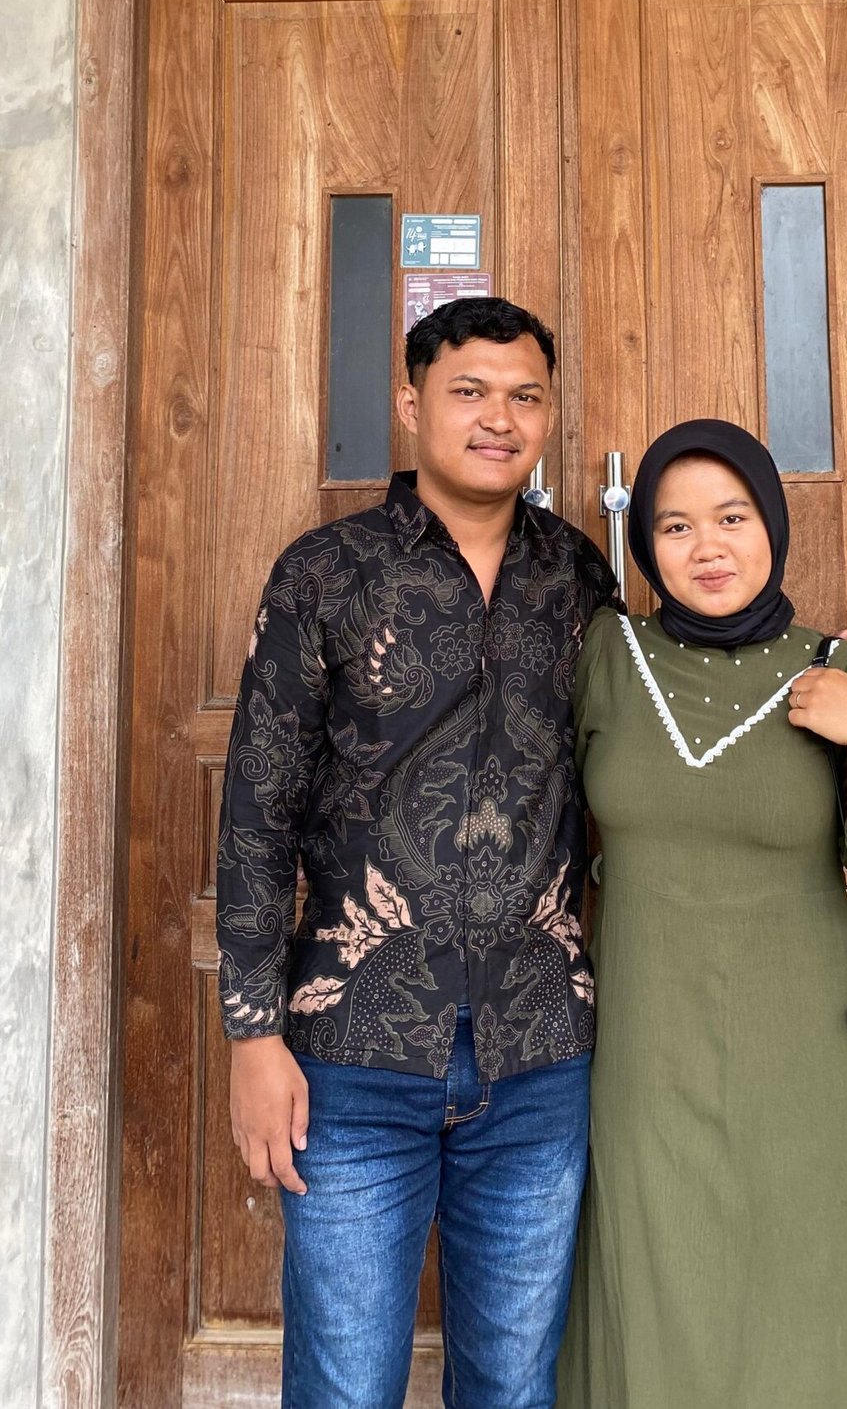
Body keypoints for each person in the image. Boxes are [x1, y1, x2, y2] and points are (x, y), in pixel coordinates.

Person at [216, 296, 618, 1409]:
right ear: (410, 404)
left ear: (548, 416)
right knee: (346, 1387)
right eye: (469, 391)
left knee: (514, 1387)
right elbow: (256, 812)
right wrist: (252, 1034)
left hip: (540, 1049)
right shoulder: (326, 573)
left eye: (525, 396)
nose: (500, 418)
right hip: (351, 1053)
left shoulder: (578, 579)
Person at [557, 418, 847, 1409]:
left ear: (772, 523)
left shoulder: (843, 671)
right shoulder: (609, 657)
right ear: (645, 545)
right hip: (647, 1069)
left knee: (812, 1343)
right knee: (660, 1320)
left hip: (814, 1083)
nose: (708, 547)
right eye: (676, 526)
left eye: (732, 517)